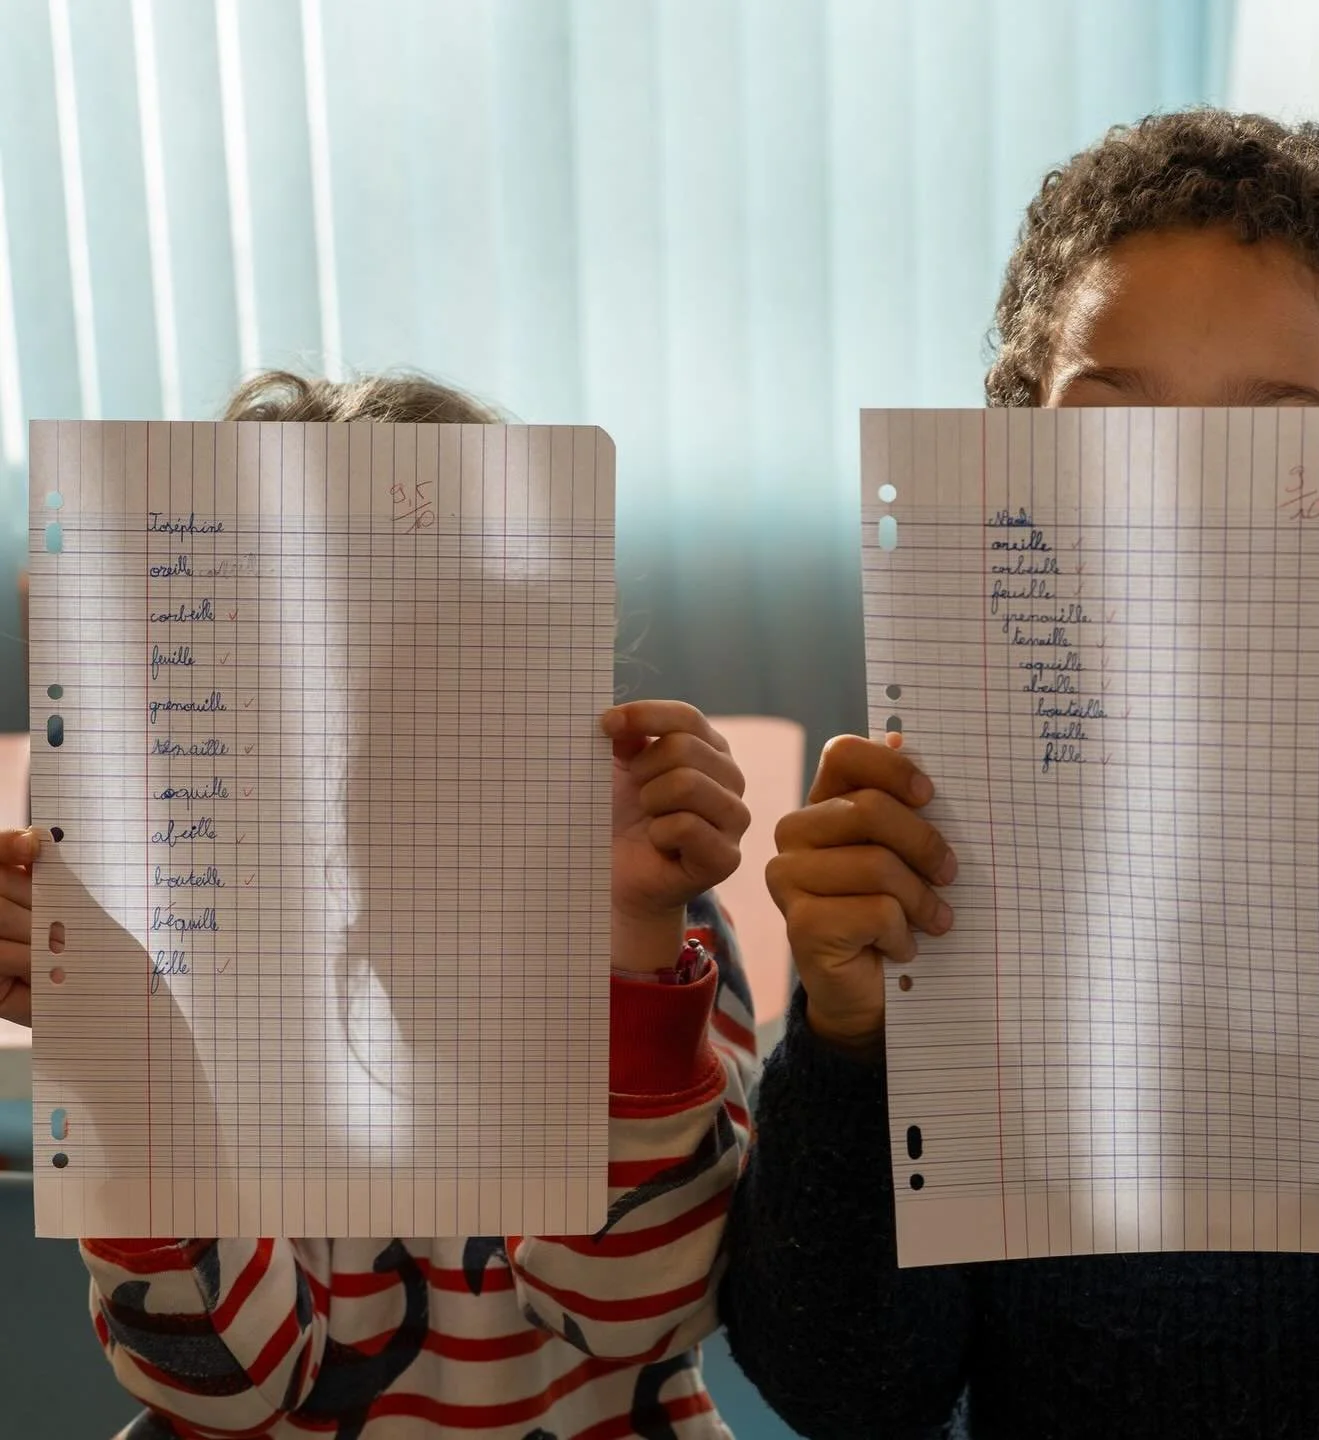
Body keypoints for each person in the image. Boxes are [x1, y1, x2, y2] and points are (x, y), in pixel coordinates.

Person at [721, 109, 1319, 1439]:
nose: (1170, 501)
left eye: (1273, 446)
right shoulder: (936, 839)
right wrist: (852, 1035)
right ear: (1014, 458)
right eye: (1108, 428)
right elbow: (849, 1387)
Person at [1, 371, 757, 1439]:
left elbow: (641, 1310)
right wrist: (132, 1060)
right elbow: (228, 1384)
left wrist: (631, 942)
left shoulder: (640, 923)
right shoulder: (192, 940)